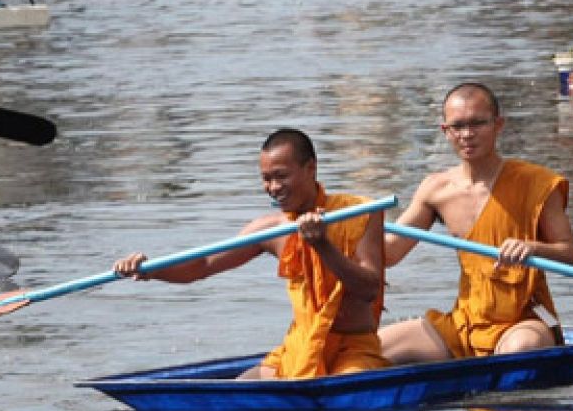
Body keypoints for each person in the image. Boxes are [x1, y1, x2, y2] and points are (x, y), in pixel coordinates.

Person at [112, 128, 387, 380]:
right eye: (266, 179)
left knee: (344, 400)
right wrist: (151, 270)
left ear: (310, 169)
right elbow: (204, 264)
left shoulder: (363, 212)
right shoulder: (272, 230)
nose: (274, 188)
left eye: (281, 176)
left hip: (353, 351)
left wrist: (323, 245)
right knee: (241, 385)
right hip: (301, 347)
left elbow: (368, 288)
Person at [377, 83, 573, 365]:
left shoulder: (537, 183)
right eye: (457, 126)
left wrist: (532, 248)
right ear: (445, 131)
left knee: (519, 350)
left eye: (477, 124)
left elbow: (571, 256)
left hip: (523, 320)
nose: (467, 135)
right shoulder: (436, 189)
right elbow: (389, 253)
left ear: (498, 125)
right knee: (371, 351)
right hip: (463, 324)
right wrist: (333, 235)